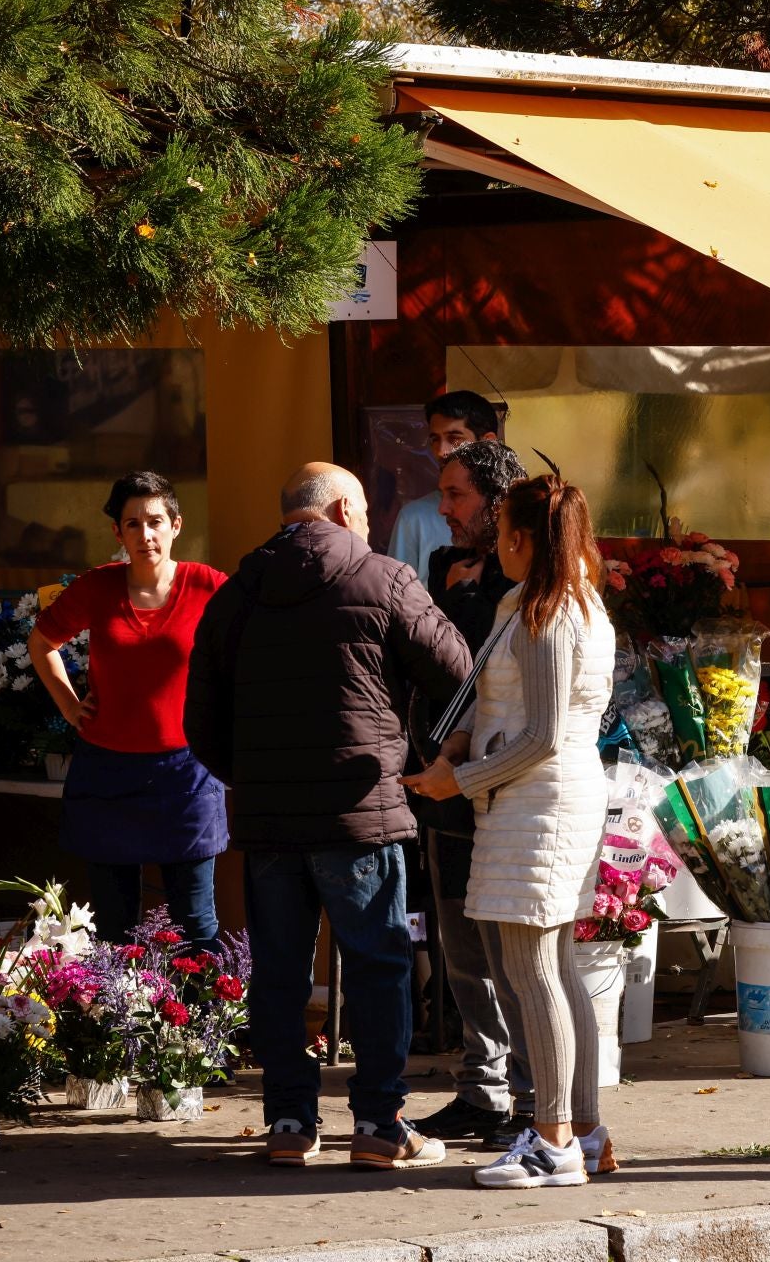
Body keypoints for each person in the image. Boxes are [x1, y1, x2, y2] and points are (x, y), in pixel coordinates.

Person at [185, 463, 469, 1171]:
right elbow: (459, 674)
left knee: (279, 970)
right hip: (360, 811)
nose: (369, 523)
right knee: (378, 965)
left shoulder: (235, 593)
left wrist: (253, 778)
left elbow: (200, 721)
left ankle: (288, 1121)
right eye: (366, 510)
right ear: (343, 509)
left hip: (269, 818)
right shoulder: (386, 579)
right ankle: (379, 1123)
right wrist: (420, 756)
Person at [403, 475, 618, 1190]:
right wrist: (461, 748)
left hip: (540, 806)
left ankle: (552, 1139)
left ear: (522, 539)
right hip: (529, 804)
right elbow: (506, 712)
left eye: (501, 535)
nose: (495, 546)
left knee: (533, 976)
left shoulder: (547, 612)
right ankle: (582, 1131)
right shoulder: (546, 603)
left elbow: (545, 737)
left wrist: (454, 782)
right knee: (551, 975)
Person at [406, 440, 542, 1145]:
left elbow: (482, 665)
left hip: (506, 785)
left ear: (499, 501)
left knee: (507, 953)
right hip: (444, 783)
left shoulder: (531, 580)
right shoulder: (440, 567)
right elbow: (426, 660)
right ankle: (480, 1088)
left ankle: (528, 1097)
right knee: (460, 945)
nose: (446, 509)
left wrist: (464, 600)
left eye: (457, 495)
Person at [30, 472, 229, 948]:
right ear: (118, 533)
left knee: (196, 922)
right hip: (107, 772)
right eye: (133, 524)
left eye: (156, 521)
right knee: (116, 928)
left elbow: (251, 649)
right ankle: (120, 1021)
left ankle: (201, 1022)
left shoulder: (209, 586)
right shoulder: (97, 587)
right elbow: (42, 642)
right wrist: (71, 705)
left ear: (176, 525)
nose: (146, 534)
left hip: (187, 774)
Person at [388, 391, 501, 580]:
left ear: (488, 442)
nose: (442, 451)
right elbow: (395, 599)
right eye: (435, 440)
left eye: (455, 439)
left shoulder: (515, 513)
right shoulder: (414, 518)